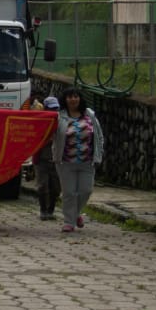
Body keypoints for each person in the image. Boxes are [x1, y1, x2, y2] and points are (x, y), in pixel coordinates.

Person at [52, 87, 104, 233]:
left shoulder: (89, 115)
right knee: (69, 192)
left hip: (87, 161)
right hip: (65, 162)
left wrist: (99, 153)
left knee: (86, 190)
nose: (73, 99)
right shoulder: (59, 116)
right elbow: (50, 135)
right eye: (69, 97)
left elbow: (99, 135)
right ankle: (69, 222)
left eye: (75, 96)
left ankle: (75, 214)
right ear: (65, 100)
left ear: (80, 98)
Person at [35, 96, 62, 220]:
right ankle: (43, 210)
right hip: (42, 160)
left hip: (57, 161)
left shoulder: (62, 123)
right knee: (43, 186)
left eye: (56, 109)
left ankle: (51, 210)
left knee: (56, 188)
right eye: (51, 109)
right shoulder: (40, 123)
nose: (54, 111)